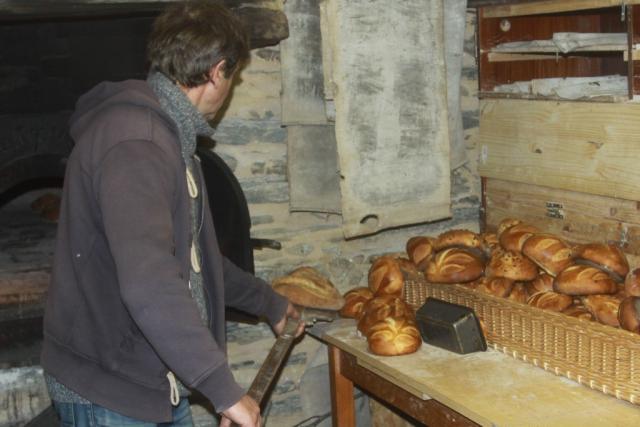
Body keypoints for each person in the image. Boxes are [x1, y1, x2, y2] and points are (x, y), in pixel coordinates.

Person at [41, 2, 303, 426]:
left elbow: (191, 261)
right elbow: (151, 280)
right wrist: (223, 390)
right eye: (233, 75)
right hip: (110, 390)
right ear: (218, 71)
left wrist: (267, 301)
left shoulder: (168, 137)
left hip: (152, 379)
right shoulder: (137, 144)